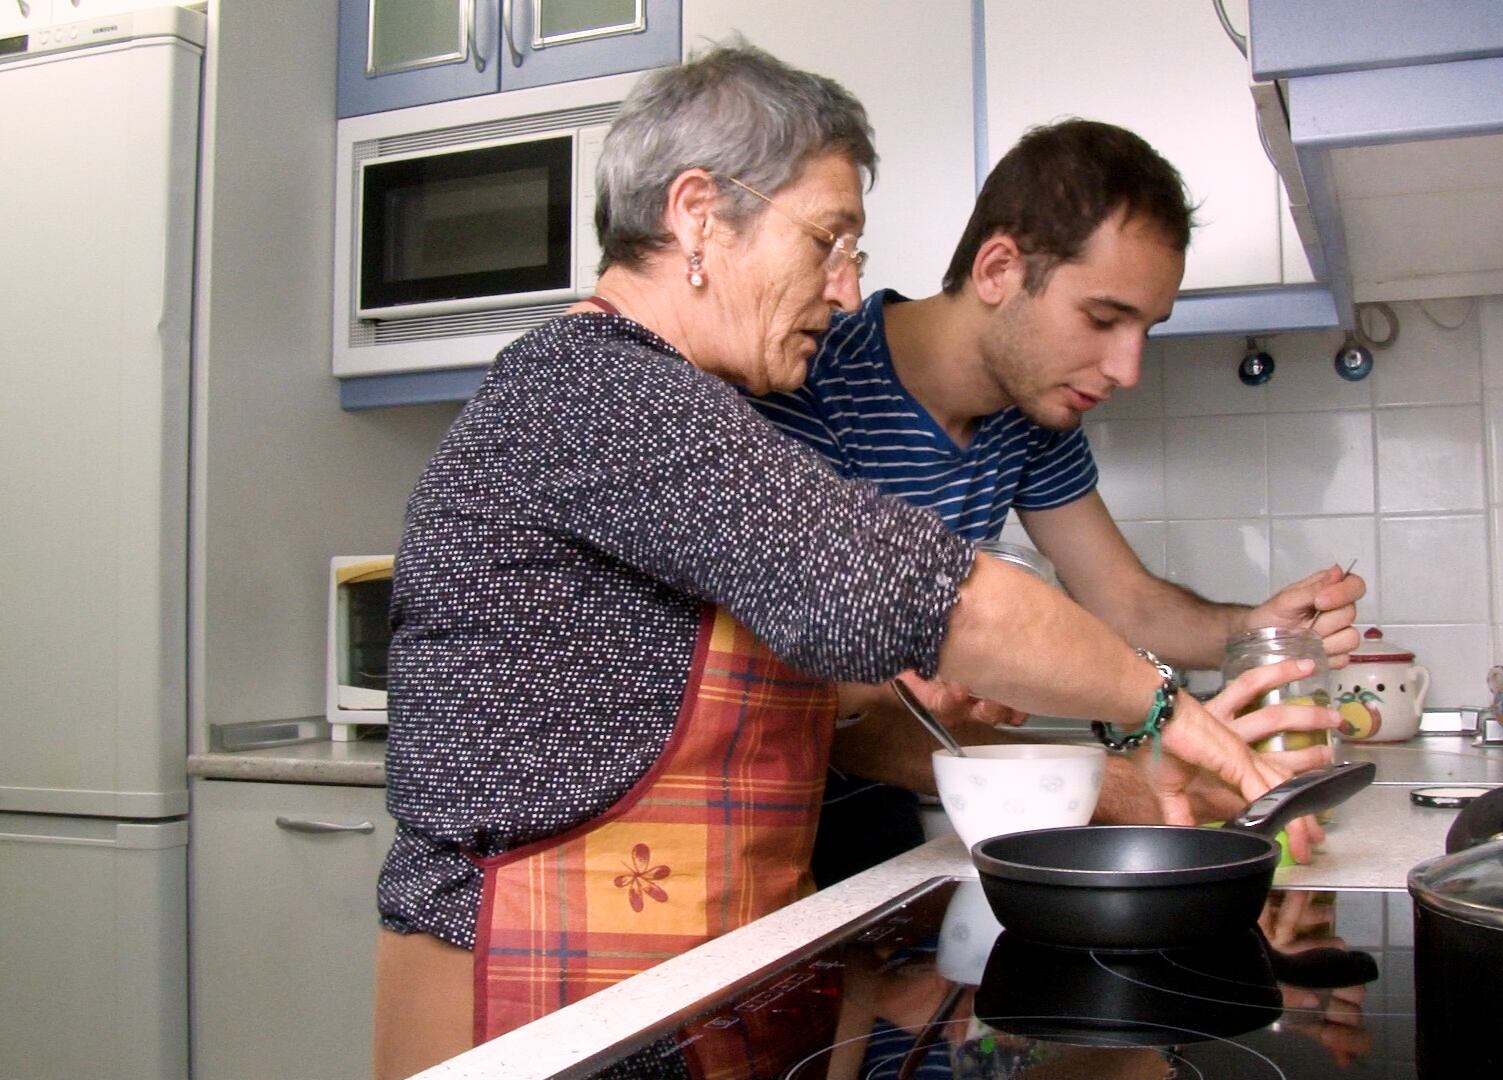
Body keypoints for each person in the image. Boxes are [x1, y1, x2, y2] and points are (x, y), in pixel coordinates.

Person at [372, 47, 1325, 1080]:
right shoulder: (593, 392)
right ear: (698, 215)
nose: (850, 286)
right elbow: (932, 596)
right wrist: (1161, 708)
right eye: (829, 239)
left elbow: (813, 706)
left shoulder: (693, 409)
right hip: (531, 992)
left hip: (688, 980)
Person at [751, 119, 1367, 878]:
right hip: (774, 828)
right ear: (999, 268)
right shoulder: (806, 381)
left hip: (888, 820)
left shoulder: (1032, 412)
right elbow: (810, 704)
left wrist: (1249, 628)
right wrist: (1115, 783)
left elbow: (1125, 602)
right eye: (1104, 319)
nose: (1127, 366)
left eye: (1146, 328)